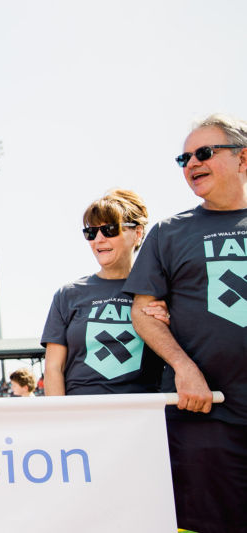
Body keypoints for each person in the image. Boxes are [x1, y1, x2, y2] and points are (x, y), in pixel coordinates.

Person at [125, 114, 247, 533]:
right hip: (206, 414)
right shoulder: (169, 232)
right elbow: (143, 311)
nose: (192, 163)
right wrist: (184, 367)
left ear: (243, 158)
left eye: (204, 153)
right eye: (184, 158)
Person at [41, 190, 165, 396]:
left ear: (138, 233)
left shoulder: (159, 291)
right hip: (83, 414)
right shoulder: (68, 295)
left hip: (142, 413)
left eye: (109, 230)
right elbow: (54, 369)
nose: (98, 239)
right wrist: (60, 420)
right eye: (91, 232)